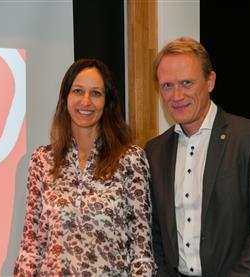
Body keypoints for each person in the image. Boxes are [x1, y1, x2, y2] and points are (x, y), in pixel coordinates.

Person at [145, 37, 250, 277]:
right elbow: (155, 232)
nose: (176, 95)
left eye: (186, 83)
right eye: (167, 86)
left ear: (210, 81)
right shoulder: (155, 151)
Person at [14, 59, 156, 276]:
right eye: (78, 91)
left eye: (96, 93)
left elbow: (141, 251)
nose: (86, 101)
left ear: (107, 101)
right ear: (66, 97)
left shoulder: (131, 159)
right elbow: (32, 246)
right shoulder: (42, 159)